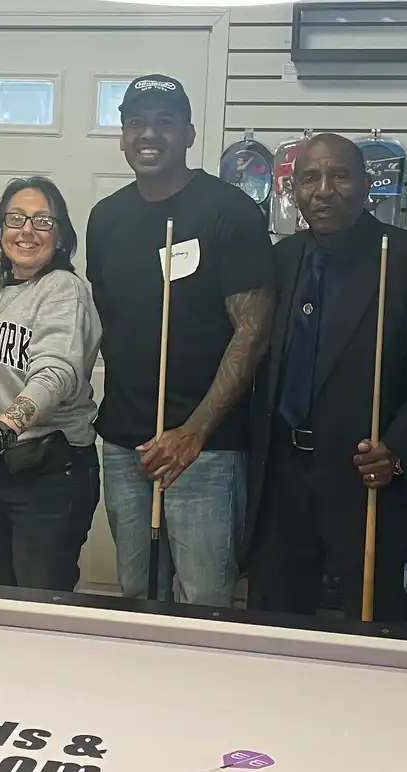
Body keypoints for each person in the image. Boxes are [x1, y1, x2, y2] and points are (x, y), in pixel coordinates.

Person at [243, 132, 407, 621]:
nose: (324, 190)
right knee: (277, 627)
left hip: (364, 483)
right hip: (281, 482)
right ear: (293, 191)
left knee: (369, 627)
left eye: (340, 175)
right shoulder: (281, 261)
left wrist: (397, 450)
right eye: (309, 178)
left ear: (367, 186)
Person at [85, 75, 275, 606]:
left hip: (204, 449)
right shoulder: (106, 218)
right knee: (137, 595)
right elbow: (112, 320)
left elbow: (253, 331)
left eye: (164, 121)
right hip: (125, 440)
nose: (149, 134)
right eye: (136, 122)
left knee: (202, 601)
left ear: (189, 133)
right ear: (122, 136)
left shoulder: (230, 212)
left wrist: (193, 432)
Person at [0, 178, 102, 592]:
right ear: (1, 229)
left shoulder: (63, 289)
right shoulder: (1, 295)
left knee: (38, 610)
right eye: (15, 218)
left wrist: (2, 429)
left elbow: (54, 373)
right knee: (0, 600)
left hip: (49, 475)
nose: (26, 230)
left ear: (60, 237)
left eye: (42, 220)